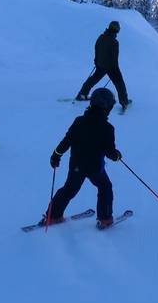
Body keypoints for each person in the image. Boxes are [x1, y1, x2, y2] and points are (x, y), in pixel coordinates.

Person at [43, 87, 122, 229]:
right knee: (105, 187)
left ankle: (53, 215)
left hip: (76, 166)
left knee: (69, 189)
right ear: (108, 107)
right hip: (95, 168)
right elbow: (110, 152)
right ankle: (104, 218)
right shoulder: (107, 128)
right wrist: (117, 155)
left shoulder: (79, 121)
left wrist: (56, 156)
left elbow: (66, 141)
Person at [76, 21, 130, 109]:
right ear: (117, 30)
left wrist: (96, 61)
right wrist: (115, 69)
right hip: (111, 67)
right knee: (119, 83)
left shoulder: (101, 37)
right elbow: (114, 57)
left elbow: (96, 49)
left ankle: (82, 94)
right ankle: (124, 102)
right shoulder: (114, 42)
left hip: (100, 65)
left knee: (93, 79)